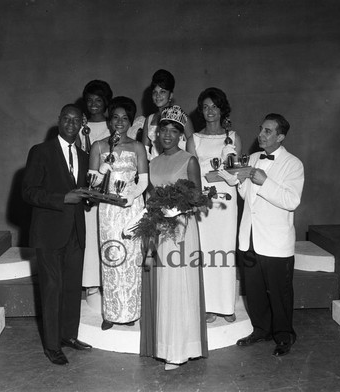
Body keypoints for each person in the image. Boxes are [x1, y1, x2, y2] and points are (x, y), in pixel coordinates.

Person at [222, 113, 304, 357]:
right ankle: (261, 330)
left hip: (276, 242)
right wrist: (237, 181)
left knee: (279, 293)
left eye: (268, 131)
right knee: (254, 291)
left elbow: (291, 201)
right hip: (249, 238)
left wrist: (265, 181)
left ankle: (284, 336)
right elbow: (247, 195)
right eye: (261, 129)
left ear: (280, 136)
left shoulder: (293, 164)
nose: (261, 134)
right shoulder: (254, 157)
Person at [22, 104, 93, 365]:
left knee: (72, 288)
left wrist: (90, 198)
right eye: (67, 119)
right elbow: (28, 192)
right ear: (59, 120)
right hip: (48, 233)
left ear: (82, 123)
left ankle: (68, 336)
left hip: (75, 231)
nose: (71, 124)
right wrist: (63, 197)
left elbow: (83, 192)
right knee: (52, 289)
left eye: (76, 120)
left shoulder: (85, 156)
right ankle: (52, 346)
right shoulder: (41, 152)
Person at [140, 105, 208, 371]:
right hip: (158, 230)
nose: (167, 135)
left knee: (178, 288)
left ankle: (179, 351)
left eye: (173, 131)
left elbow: (200, 202)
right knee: (164, 288)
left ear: (181, 134)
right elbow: (149, 198)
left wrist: (177, 209)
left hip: (181, 230)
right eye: (163, 130)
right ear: (156, 134)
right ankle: (165, 345)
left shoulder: (189, 160)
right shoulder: (153, 163)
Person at [89, 96, 148, 330]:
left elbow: (144, 180)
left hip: (131, 207)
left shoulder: (137, 146)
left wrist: (132, 196)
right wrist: (103, 169)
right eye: (115, 117)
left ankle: (132, 311)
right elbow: (92, 183)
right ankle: (111, 312)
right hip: (108, 210)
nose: (120, 122)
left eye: (125, 118)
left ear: (130, 121)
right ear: (109, 120)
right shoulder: (99, 146)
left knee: (132, 258)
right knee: (111, 256)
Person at [186, 87, 241, 323]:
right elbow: (190, 175)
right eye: (205, 107)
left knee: (226, 251)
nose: (210, 111)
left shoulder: (233, 138)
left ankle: (227, 305)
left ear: (222, 109)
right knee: (207, 252)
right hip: (204, 203)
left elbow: (234, 171)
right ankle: (208, 305)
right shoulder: (193, 139)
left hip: (226, 202)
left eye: (214, 106)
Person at [79, 80, 113, 299]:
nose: (93, 104)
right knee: (90, 234)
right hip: (89, 186)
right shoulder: (80, 125)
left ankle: (108, 278)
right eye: (89, 100)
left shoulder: (112, 126)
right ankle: (92, 281)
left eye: (98, 100)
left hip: (110, 187)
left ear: (106, 102)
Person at [141, 69, 194, 160]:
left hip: (177, 166)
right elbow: (143, 152)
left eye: (162, 92)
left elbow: (193, 148)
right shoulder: (149, 119)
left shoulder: (183, 118)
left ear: (171, 95)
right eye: (155, 92)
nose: (158, 96)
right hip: (155, 167)